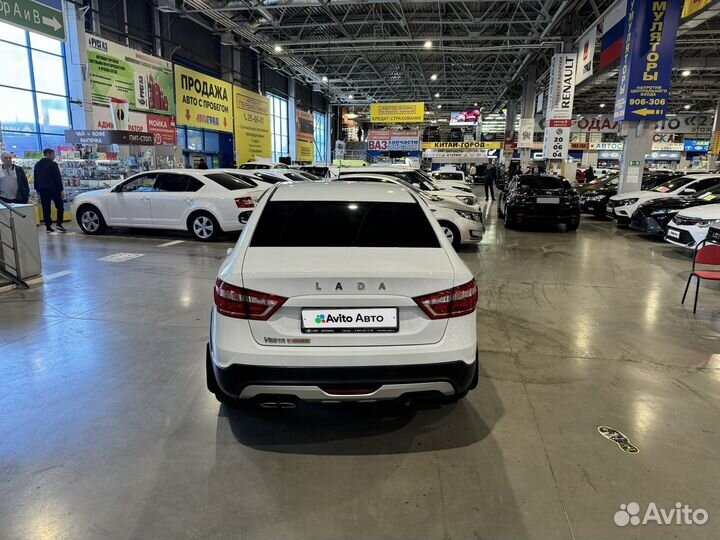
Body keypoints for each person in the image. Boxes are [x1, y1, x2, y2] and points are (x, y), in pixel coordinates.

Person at [34, 148, 65, 232]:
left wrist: (37, 190)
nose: (54, 156)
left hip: (43, 190)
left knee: (46, 208)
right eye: (53, 154)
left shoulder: (37, 164)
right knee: (60, 207)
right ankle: (59, 223)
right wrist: (61, 190)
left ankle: (48, 226)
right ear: (48, 154)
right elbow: (57, 177)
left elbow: (35, 178)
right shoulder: (53, 164)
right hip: (54, 189)